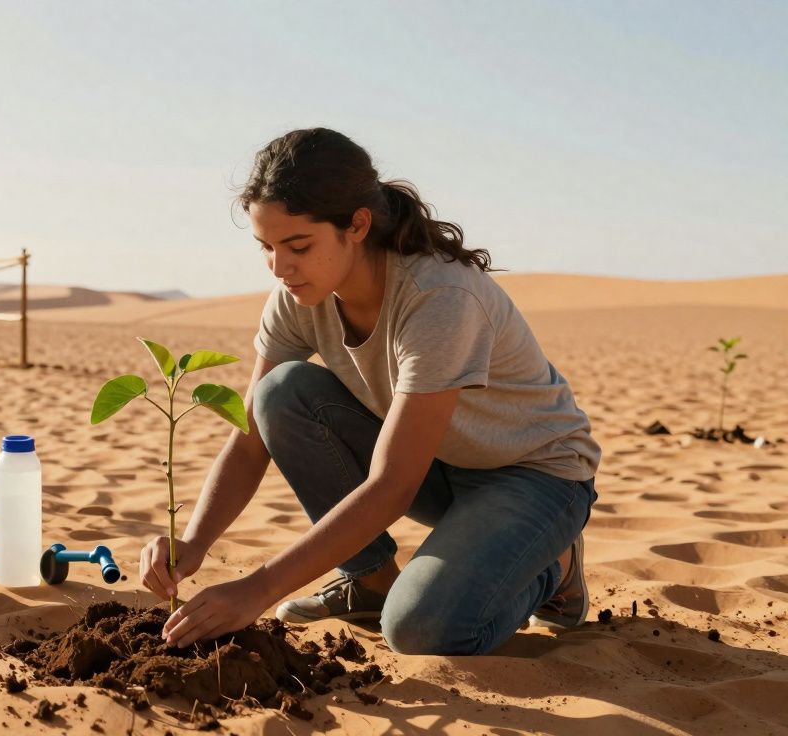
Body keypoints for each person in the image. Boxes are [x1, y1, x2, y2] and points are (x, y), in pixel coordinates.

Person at [143, 127, 600, 655]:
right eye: (265, 247)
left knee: (421, 629)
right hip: (442, 468)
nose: (279, 267)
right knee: (280, 394)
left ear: (357, 225)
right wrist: (193, 543)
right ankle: (370, 582)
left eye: (298, 246)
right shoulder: (296, 296)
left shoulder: (438, 298)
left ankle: (555, 567)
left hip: (535, 476)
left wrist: (258, 590)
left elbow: (392, 485)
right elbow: (250, 439)